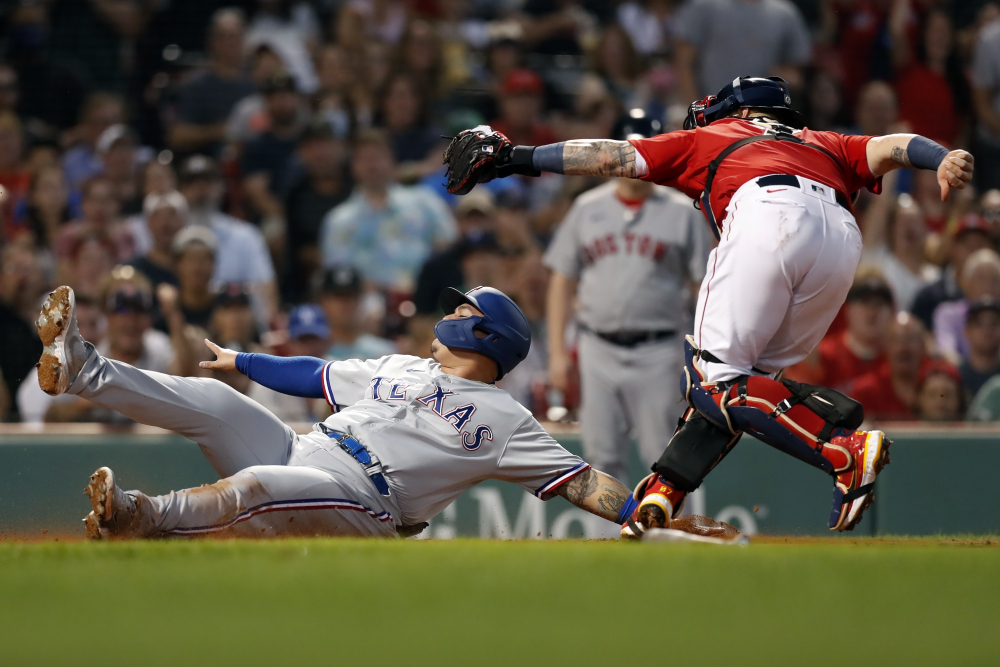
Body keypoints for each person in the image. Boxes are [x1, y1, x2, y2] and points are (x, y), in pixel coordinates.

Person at [445, 75, 974, 535]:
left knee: (715, 383)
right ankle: (662, 495)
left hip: (767, 214)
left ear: (741, 112)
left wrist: (514, 157)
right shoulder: (826, 140)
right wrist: (941, 157)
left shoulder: (718, 134)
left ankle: (842, 448)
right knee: (737, 390)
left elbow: (611, 155)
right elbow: (893, 144)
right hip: (840, 239)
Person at [38, 283, 634, 541]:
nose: (446, 316)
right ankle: (82, 368)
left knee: (258, 486)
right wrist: (244, 361)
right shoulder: (407, 366)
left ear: (483, 334)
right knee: (220, 403)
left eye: (461, 312)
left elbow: (580, 482)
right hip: (306, 448)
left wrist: (650, 512)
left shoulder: (508, 421)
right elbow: (315, 374)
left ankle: (139, 515)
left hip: (366, 501)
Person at [544, 114, 710, 485]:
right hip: (596, 347)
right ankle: (607, 542)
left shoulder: (683, 211)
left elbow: (705, 288)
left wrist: (708, 352)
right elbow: (561, 282)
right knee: (601, 456)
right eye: (627, 151)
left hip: (660, 348)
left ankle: (673, 540)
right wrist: (557, 352)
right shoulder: (587, 207)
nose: (633, 160)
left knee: (665, 457)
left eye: (641, 151)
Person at [320, 129, 457, 293]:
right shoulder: (339, 221)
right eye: (364, 159)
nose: (372, 165)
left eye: (378, 157)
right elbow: (338, 274)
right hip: (368, 306)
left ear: (392, 161)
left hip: (425, 298)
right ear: (353, 167)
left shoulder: (425, 202)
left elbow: (449, 246)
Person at [175, 155, 278, 329]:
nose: (200, 190)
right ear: (179, 191)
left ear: (220, 188)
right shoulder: (167, 234)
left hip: (237, 330)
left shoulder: (245, 235)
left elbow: (266, 297)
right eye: (191, 182)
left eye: (207, 182)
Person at [784, 269, 894, 391]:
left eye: (879, 303)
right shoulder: (823, 356)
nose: (872, 311)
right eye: (864, 302)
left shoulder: (900, 357)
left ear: (891, 312)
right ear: (848, 308)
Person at [169, 8, 256, 156]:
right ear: (212, 42)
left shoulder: (253, 83)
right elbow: (177, 136)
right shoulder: (197, 85)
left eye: (236, 37)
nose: (231, 43)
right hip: (209, 165)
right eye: (225, 37)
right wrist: (219, 131)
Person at [282, 120, 351, 304]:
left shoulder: (356, 186)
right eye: (311, 146)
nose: (319, 153)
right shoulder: (296, 194)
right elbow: (296, 247)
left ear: (341, 146)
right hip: (316, 275)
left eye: (325, 144)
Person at [247, 304, 330, 424]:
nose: (309, 349)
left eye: (314, 340)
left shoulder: (341, 373)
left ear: (326, 342)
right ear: (289, 343)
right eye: (303, 340)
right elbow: (263, 428)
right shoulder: (267, 380)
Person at [912, 213, 995, 330]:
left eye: (979, 244)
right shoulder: (929, 297)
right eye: (967, 244)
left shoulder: (996, 293)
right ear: (952, 248)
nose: (973, 251)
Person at [848, 312, 928, 423]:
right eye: (897, 340)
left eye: (911, 339)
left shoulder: (939, 385)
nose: (904, 348)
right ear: (885, 346)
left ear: (923, 345)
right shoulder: (866, 391)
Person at [318, 266, 396, 362]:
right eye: (338, 296)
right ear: (324, 301)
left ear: (360, 300)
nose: (344, 303)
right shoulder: (312, 350)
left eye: (351, 296)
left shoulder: (385, 352)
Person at [958, 299, 1000, 398]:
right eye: (979, 323)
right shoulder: (956, 377)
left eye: (994, 322)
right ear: (967, 331)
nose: (987, 329)